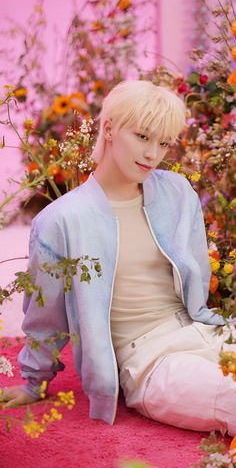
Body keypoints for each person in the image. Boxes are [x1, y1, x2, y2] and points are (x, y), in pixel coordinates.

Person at [1, 80, 235, 435]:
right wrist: (34, 382)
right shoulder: (62, 220)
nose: (152, 153)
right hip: (151, 362)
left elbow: (196, 277)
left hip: (205, 332)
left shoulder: (178, 193)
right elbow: (44, 314)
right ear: (108, 128)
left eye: (163, 142)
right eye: (142, 136)